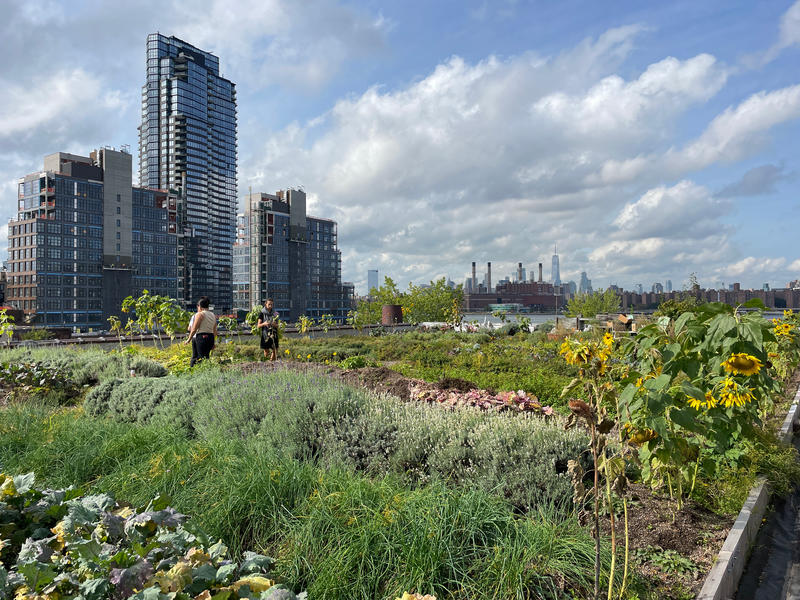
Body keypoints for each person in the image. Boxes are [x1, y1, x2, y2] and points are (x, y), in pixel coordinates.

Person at [185, 297, 217, 366]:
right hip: (210, 337)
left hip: (202, 337)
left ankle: (196, 372)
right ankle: (207, 371)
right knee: (206, 357)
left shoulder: (200, 314)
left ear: (199, 306)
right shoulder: (213, 315)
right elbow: (215, 331)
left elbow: (194, 329)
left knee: (199, 358)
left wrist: (188, 339)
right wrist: (213, 342)